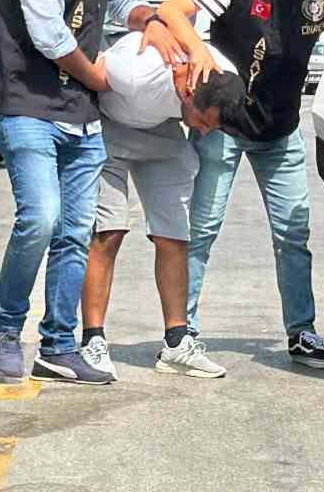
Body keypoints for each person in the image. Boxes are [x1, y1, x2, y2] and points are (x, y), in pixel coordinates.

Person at [153, 0, 324, 369]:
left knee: (294, 232)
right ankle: (181, 332)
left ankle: (302, 331)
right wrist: (196, 52)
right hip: (223, 125)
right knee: (202, 230)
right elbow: (172, 10)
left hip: (281, 128)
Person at [0, 0, 172, 386]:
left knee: (74, 234)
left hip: (83, 122)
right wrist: (101, 79)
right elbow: (51, 38)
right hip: (30, 110)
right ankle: (5, 328)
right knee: (40, 219)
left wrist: (153, 20)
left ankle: (59, 345)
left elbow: (123, 5)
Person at [77, 33, 246, 381]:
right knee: (108, 231)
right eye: (203, 122)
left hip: (163, 130)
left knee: (175, 235)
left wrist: (199, 122)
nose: (204, 131)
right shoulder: (137, 71)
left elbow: (203, 113)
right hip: (109, 127)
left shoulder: (223, 78)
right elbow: (86, 72)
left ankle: (176, 344)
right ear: (187, 93)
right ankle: (92, 341)